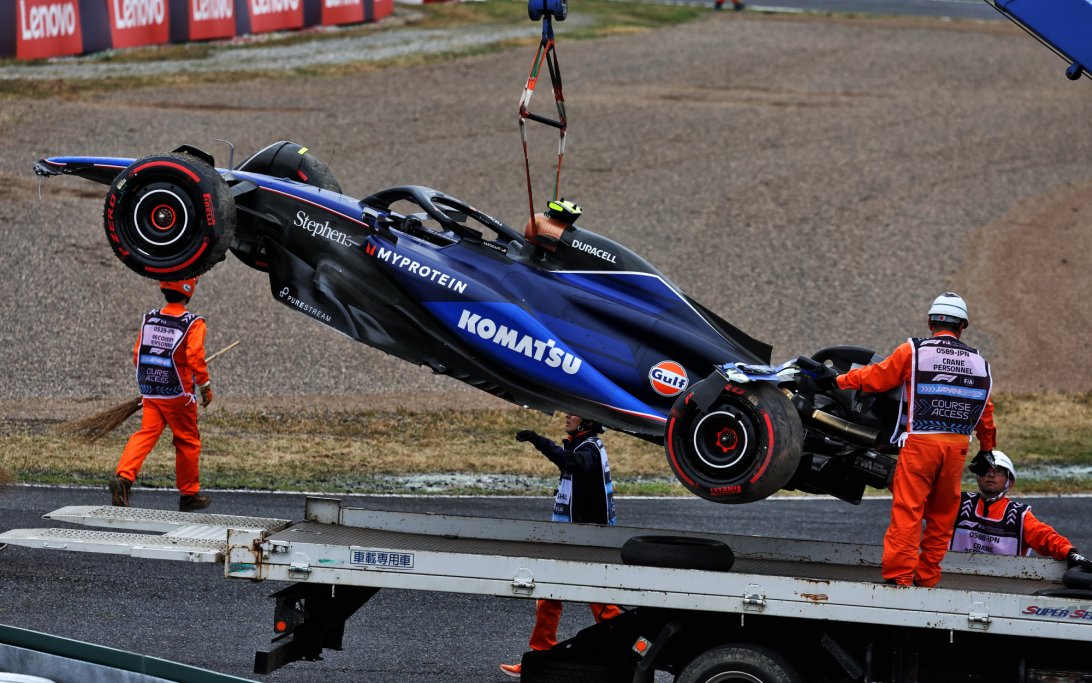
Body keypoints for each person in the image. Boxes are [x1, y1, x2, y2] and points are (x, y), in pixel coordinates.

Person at [813, 292, 996, 587]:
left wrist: (837, 380)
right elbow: (985, 410)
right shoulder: (979, 363)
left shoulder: (915, 350)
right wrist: (987, 448)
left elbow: (877, 377)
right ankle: (928, 577)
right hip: (957, 449)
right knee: (942, 517)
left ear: (931, 322)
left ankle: (900, 577)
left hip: (921, 443)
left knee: (908, 511)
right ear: (962, 326)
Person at [499, 413, 620, 679]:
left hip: (585, 540)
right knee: (549, 595)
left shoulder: (588, 449)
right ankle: (539, 657)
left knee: (600, 604)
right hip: (573, 537)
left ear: (587, 421)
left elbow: (572, 463)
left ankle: (626, 652)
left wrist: (539, 441)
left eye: (573, 413)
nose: (567, 415)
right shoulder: (584, 446)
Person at [109, 278, 214, 513]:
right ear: (188, 292)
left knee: (146, 434)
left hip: (151, 390)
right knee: (187, 440)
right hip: (178, 395)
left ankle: (124, 477)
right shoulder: (193, 323)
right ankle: (189, 494)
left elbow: (137, 355)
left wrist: (153, 382)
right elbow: (195, 356)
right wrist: (205, 385)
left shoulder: (150, 318)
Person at [951, 451, 1092, 570]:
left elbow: (1044, 536)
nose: (991, 475)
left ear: (1010, 482)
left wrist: (1069, 552)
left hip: (1007, 583)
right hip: (956, 575)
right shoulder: (959, 503)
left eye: (999, 471)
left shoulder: (1018, 515)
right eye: (985, 471)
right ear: (977, 477)